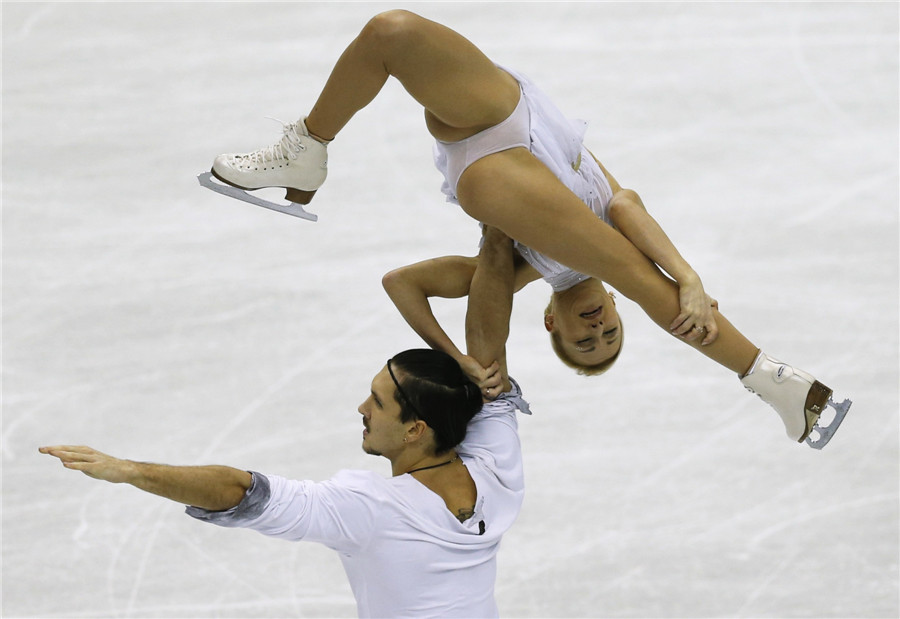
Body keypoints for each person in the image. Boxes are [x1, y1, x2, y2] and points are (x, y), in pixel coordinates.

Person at [204, 10, 849, 447]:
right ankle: (308, 146)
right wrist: (689, 277)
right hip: (513, 111)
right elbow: (626, 204)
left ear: (553, 325)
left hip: (488, 170)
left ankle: (780, 384)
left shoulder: (521, 272)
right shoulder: (602, 249)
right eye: (609, 333)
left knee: (499, 206)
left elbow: (401, 283)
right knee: (390, 32)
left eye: (584, 341)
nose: (596, 328)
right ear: (616, 314)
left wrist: (465, 360)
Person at [40, 232, 531, 618]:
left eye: (378, 403)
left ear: (414, 430)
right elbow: (489, 349)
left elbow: (241, 491)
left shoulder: (372, 509)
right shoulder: (497, 470)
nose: (362, 407)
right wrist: (498, 236)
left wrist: (129, 470)